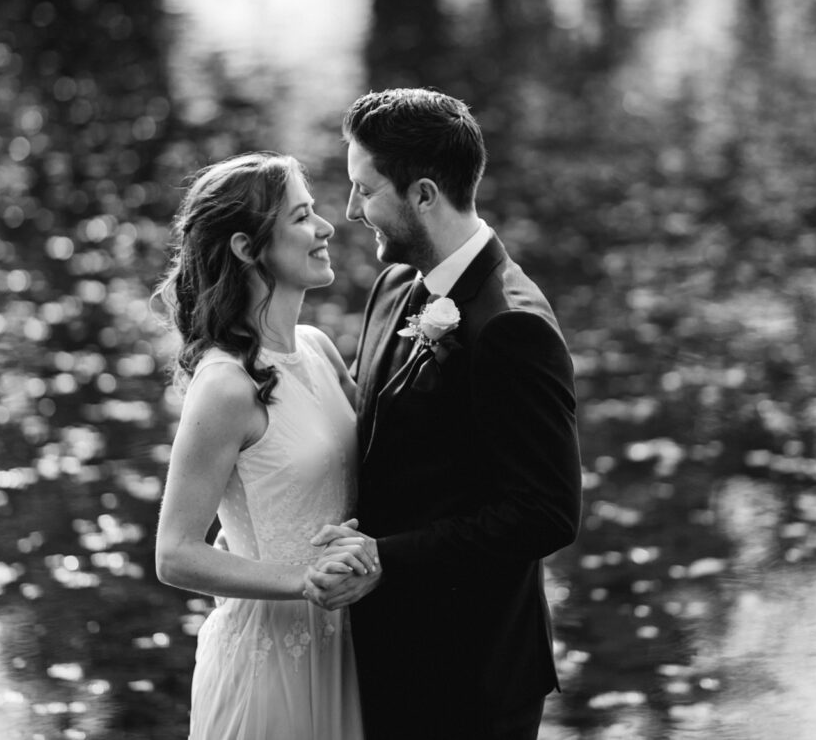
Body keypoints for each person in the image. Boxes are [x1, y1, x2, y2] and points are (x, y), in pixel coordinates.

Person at [304, 89, 584, 739]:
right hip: (386, 657)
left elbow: (546, 513)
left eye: (365, 191)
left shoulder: (512, 327)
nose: (350, 210)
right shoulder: (396, 283)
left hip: (471, 678)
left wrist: (385, 557)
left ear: (424, 194)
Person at [153, 152, 370, 740]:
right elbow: (174, 554)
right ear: (248, 248)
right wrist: (302, 578)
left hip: (351, 647)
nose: (326, 228)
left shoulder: (319, 348)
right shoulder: (225, 386)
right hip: (271, 661)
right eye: (302, 217)